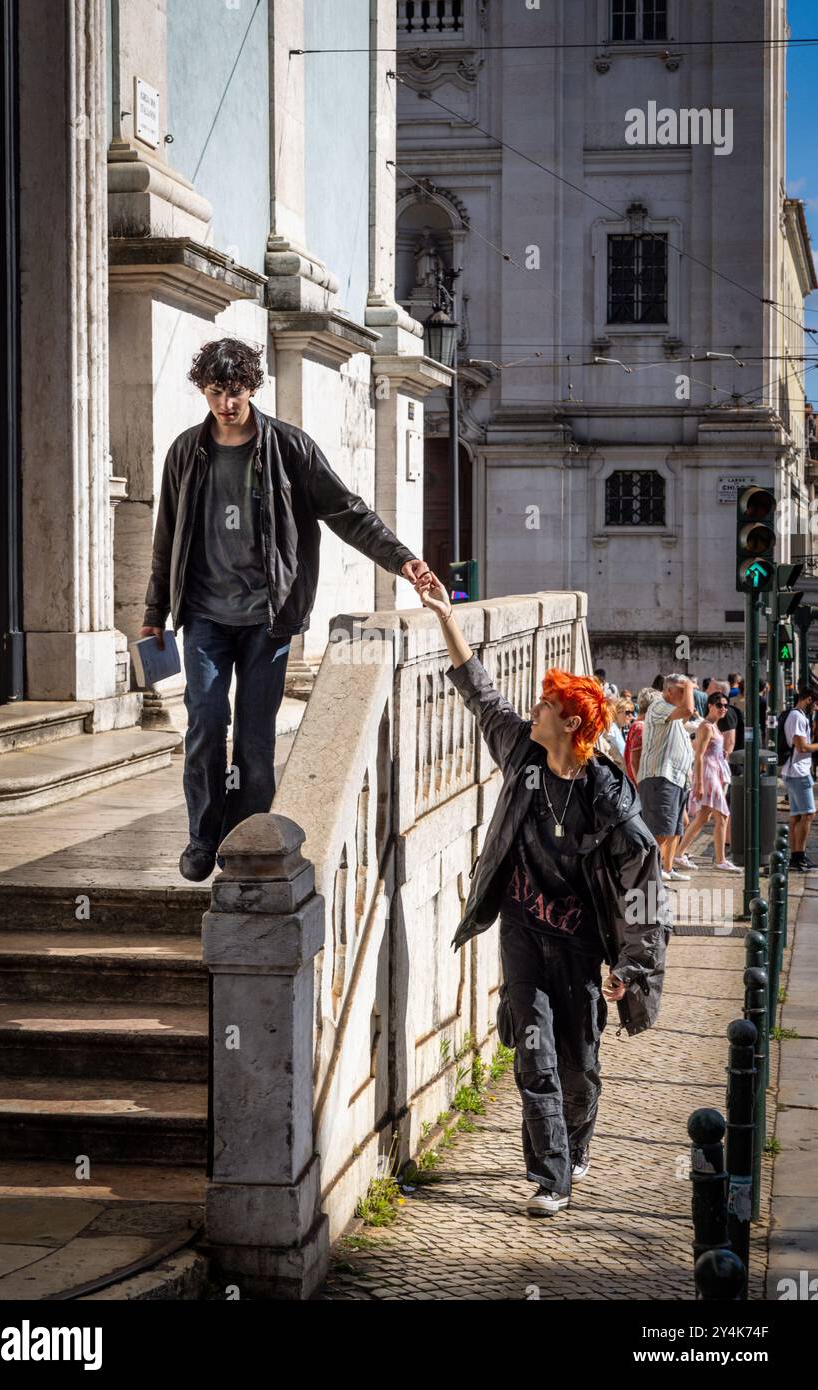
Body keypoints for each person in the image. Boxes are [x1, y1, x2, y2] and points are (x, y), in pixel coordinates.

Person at [414, 570, 669, 1217]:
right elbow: (480, 695)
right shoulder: (523, 758)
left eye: (546, 706)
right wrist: (446, 616)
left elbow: (642, 888)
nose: (532, 710)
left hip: (581, 943)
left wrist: (632, 969)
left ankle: (573, 1148)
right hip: (522, 931)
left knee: (579, 1066)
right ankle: (551, 1175)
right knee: (534, 1054)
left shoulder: (608, 800)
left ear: (571, 724)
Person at [141, 337, 430, 880]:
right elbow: (167, 537)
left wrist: (404, 561)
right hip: (203, 615)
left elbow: (348, 512)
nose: (226, 402)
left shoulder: (290, 449)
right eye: (214, 391)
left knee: (254, 736)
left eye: (234, 390)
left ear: (252, 386)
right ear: (202, 391)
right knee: (205, 722)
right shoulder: (186, 452)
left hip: (267, 619)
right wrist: (155, 611)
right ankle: (203, 837)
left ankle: (247, 836)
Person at [636, 673, 696, 881]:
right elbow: (689, 709)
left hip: (675, 780)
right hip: (659, 778)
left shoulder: (672, 713)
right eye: (682, 691)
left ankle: (665, 871)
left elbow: (689, 713)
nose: (687, 694)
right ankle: (647, 877)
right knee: (659, 832)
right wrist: (689, 684)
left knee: (672, 829)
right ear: (669, 691)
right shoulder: (660, 706)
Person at [674, 692, 737, 871]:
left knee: (704, 817)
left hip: (713, 773)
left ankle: (680, 854)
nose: (723, 708)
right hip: (708, 775)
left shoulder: (713, 726)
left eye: (726, 705)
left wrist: (720, 754)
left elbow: (699, 749)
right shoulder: (707, 727)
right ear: (710, 705)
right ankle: (719, 860)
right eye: (719, 705)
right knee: (722, 815)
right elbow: (699, 755)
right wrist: (699, 783)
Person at [779, 685, 818, 872]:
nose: (816, 708)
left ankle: (796, 857)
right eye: (816, 704)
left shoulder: (799, 716)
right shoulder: (797, 717)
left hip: (795, 771)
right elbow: (801, 746)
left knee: (796, 816)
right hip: (797, 772)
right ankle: (799, 856)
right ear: (808, 699)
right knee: (809, 814)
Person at [624, 686, 660, 785]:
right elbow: (635, 762)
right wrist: (642, 789)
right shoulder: (641, 728)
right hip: (641, 788)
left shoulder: (638, 725)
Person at [605, 695, 633, 770]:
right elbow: (622, 754)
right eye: (627, 712)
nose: (631, 716)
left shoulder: (624, 730)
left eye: (632, 712)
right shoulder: (611, 730)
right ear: (617, 712)